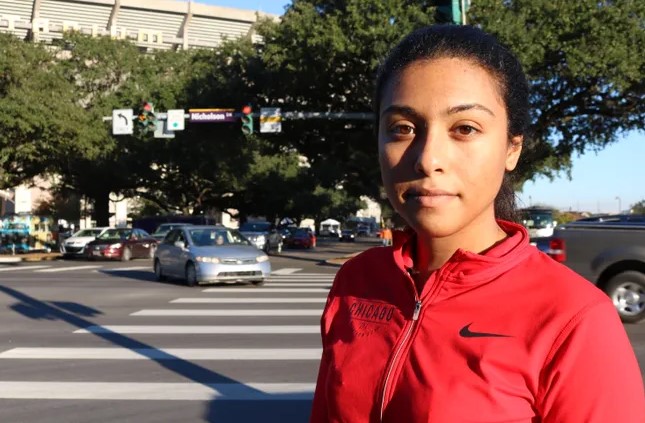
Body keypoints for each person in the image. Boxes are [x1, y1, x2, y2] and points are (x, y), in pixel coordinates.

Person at [310, 25, 645, 423]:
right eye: (402, 128)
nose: (427, 158)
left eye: (464, 129)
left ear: (511, 149)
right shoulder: (355, 282)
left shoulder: (574, 318)